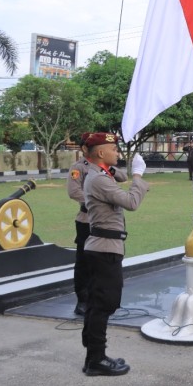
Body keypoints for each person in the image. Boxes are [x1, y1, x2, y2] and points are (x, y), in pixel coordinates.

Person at [81, 132, 149, 376]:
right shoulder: (98, 179)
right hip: (104, 249)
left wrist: (120, 168)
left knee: (97, 304)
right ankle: (96, 360)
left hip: (104, 247)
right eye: (114, 149)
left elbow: (119, 175)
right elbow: (131, 202)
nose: (118, 152)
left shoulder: (101, 174)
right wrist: (138, 175)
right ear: (100, 152)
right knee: (104, 304)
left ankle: (94, 357)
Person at [67, 132, 129, 318]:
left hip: (107, 222)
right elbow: (73, 191)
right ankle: (82, 299)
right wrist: (95, 200)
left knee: (106, 263)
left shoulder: (104, 167)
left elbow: (123, 177)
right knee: (83, 262)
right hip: (86, 219)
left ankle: (101, 300)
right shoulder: (79, 167)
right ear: (84, 148)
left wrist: (110, 169)